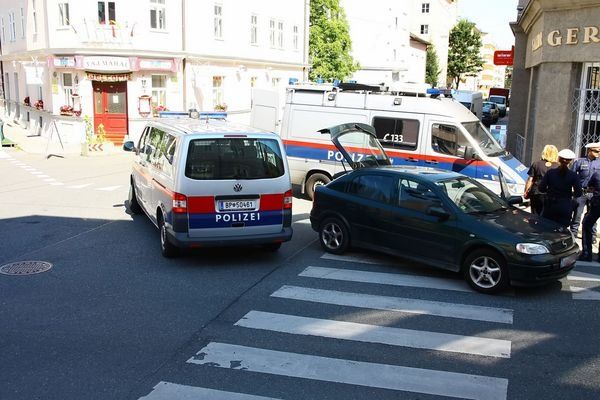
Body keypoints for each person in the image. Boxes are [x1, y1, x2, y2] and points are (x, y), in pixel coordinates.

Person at [538, 149, 582, 227]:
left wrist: (550, 191)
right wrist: (570, 194)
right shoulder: (573, 175)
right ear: (570, 161)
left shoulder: (550, 173)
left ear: (558, 159)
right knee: (562, 230)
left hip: (551, 205)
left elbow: (541, 188)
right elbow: (578, 193)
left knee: (547, 228)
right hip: (565, 206)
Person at [570, 143, 600, 240]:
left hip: (594, 194)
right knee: (577, 215)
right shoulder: (579, 162)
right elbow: (572, 176)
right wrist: (574, 189)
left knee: (592, 215)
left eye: (599, 151)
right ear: (589, 151)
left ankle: (592, 236)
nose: (598, 153)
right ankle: (573, 234)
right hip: (581, 192)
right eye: (596, 151)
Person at [524, 145, 559, 215]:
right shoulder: (558, 166)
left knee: (535, 215)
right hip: (551, 194)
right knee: (548, 216)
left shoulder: (536, 164)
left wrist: (526, 191)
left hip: (536, 192)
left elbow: (530, 179)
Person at [580, 170, 600, 261]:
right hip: (596, 203)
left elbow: (590, 186)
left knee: (586, 225)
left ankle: (587, 253)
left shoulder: (597, 174)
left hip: (597, 204)